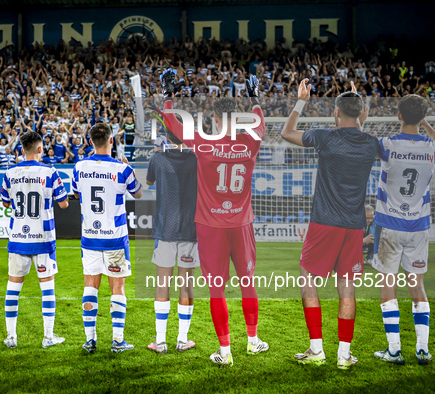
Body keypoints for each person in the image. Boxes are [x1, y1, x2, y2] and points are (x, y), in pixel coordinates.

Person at [160, 69, 269, 366]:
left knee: (216, 289)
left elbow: (171, 121)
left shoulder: (203, 143)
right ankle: (253, 340)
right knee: (248, 283)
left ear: (217, 121)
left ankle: (225, 352)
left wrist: (170, 95)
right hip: (241, 223)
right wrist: (254, 96)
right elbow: (261, 122)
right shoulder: (250, 142)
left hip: (210, 226)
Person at [281, 80, 379, 369]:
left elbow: (287, 133)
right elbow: (360, 121)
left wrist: (301, 101)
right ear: (361, 114)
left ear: (336, 112)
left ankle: (316, 349)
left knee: (307, 277)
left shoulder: (326, 137)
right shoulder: (372, 143)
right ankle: (344, 355)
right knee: (347, 288)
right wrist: (358, 100)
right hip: (354, 225)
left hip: (324, 222)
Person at [372, 94, 434, 365]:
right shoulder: (431, 147)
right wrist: (425, 123)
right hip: (419, 226)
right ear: (422, 118)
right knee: (416, 284)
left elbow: (364, 145)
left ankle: (394, 350)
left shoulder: (387, 144)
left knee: (388, 283)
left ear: (398, 116)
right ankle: (422, 349)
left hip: (388, 225)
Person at [72, 122, 143, 354]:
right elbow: (139, 193)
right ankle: (117, 340)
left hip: (90, 237)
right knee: (118, 288)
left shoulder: (79, 167)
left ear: (91, 142)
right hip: (115, 238)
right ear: (112, 141)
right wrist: (129, 167)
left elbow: (76, 193)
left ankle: (90, 340)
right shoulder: (122, 169)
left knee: (90, 287)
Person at [0, 131, 69, 349]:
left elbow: (5, 203)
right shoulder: (50, 171)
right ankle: (48, 337)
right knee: (47, 287)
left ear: (21, 149)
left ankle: (11, 337)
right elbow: (64, 203)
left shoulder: (10, 172)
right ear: (40, 149)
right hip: (43, 238)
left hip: (18, 237)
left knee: (13, 286)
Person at [145, 130, 198, 354]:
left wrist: (158, 151)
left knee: (162, 284)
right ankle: (182, 340)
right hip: (189, 229)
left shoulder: (157, 158)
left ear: (168, 138)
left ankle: (161, 341)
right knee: (185, 285)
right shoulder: (196, 158)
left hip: (165, 229)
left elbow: (149, 181)